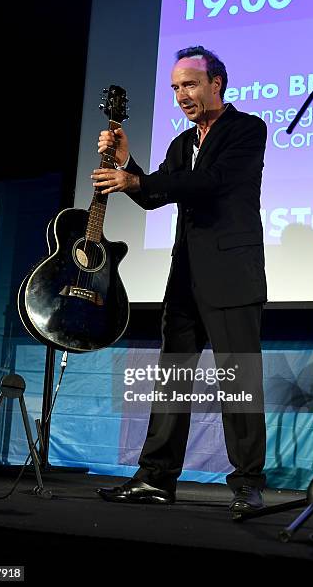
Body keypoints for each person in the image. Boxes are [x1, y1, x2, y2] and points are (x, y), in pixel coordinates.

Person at [92, 45, 267, 512]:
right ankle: (156, 478)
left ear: (217, 84)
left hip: (232, 274)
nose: (181, 95)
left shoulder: (246, 130)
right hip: (184, 276)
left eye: (189, 84)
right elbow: (152, 198)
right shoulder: (181, 144)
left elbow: (211, 182)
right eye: (174, 87)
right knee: (171, 380)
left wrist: (140, 182)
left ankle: (248, 484)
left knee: (239, 382)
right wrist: (128, 168)